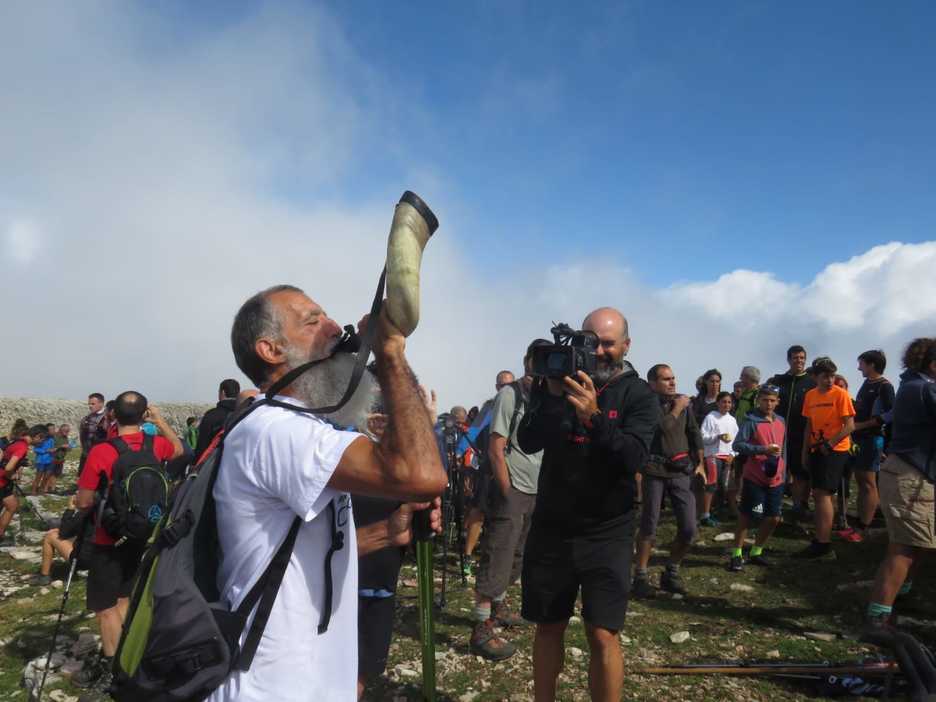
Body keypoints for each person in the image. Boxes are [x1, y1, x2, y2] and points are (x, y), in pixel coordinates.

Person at [207, 284, 446, 702]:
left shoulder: (302, 428)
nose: (337, 328)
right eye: (313, 321)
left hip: (309, 680)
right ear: (271, 350)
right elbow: (421, 474)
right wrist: (390, 353)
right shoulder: (278, 431)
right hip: (272, 686)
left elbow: (299, 555)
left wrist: (389, 533)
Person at [517, 306, 659, 702]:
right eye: (589, 340)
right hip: (552, 527)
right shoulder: (558, 384)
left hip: (607, 529)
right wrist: (551, 398)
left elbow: (634, 457)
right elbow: (528, 441)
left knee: (602, 633)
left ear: (626, 345)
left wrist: (595, 419)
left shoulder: (639, 395)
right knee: (548, 625)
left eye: (608, 343)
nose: (597, 350)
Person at [73, 391, 184, 692]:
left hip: (109, 538)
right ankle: (128, 656)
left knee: (105, 606)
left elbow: (84, 501)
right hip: (143, 534)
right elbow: (178, 450)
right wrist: (160, 421)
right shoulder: (155, 445)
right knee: (123, 597)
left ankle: (115, 671)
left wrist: (83, 499)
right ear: (144, 413)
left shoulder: (102, 451)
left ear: (113, 415)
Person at [470, 341, 545, 660]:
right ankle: (481, 628)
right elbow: (495, 446)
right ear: (526, 360)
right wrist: (506, 488)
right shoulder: (509, 395)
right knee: (498, 554)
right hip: (513, 488)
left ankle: (498, 608)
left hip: (536, 489)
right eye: (535, 359)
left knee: (519, 555)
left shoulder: (544, 397)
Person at [865, 338, 936, 634]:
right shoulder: (926, 389)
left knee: (919, 544)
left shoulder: (912, 385)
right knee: (904, 548)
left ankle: (898, 598)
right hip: (911, 477)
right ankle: (877, 618)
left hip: (911, 474)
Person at [633, 364, 705, 598]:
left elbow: (694, 433)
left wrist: (701, 463)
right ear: (653, 383)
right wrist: (677, 408)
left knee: (689, 528)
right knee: (649, 524)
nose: (672, 382)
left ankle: (671, 570)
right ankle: (641, 575)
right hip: (654, 470)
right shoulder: (648, 404)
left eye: (673, 378)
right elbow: (663, 428)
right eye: (666, 379)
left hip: (681, 471)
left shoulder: (683, 405)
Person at [796, 357, 855, 560]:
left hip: (835, 450)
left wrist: (830, 444)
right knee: (819, 493)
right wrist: (804, 452)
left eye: (832, 375)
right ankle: (821, 538)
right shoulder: (810, 396)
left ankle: (823, 544)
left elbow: (849, 425)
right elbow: (809, 426)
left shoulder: (841, 395)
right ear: (815, 377)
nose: (829, 380)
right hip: (815, 449)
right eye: (825, 376)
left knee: (822, 494)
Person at [729, 385, 786, 571]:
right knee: (749, 515)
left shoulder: (781, 421)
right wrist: (762, 450)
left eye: (772, 400)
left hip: (776, 478)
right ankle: (736, 554)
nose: (768, 404)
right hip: (755, 477)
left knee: (774, 518)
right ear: (758, 401)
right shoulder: (751, 421)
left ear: (777, 402)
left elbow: (784, 449)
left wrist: (785, 471)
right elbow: (738, 445)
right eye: (765, 400)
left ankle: (756, 551)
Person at [842, 350, 895, 543]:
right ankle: (859, 524)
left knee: (868, 482)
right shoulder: (868, 383)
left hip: (873, 438)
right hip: (860, 437)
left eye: (862, 364)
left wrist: (864, 425)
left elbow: (891, 413)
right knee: (861, 479)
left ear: (871, 364)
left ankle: (865, 527)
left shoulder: (884, 386)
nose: (859, 368)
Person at [767, 345, 816, 522]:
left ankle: (797, 506)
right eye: (796, 358)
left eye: (802, 358)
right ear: (789, 359)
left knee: (799, 472)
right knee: (775, 470)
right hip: (776, 433)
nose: (799, 361)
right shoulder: (778, 381)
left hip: (800, 434)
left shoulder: (811, 383)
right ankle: (772, 506)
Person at [0, 425, 46, 544]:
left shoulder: (18, 440)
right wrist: (12, 475)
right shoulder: (23, 447)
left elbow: (6, 455)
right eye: (42, 439)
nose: (42, 442)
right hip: (2, 480)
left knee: (12, 505)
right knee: (12, 506)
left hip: (3, 480)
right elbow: (9, 466)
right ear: (37, 436)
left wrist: (21, 462)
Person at [699, 391, 738, 526]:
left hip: (727, 457)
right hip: (713, 455)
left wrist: (733, 454)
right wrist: (717, 436)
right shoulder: (711, 417)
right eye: (723, 401)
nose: (726, 404)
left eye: (729, 402)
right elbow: (702, 437)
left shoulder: (732, 420)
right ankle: (705, 514)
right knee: (712, 484)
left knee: (723, 486)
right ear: (718, 403)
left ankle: (717, 511)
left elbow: (736, 441)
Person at [193, 378, 241, 460]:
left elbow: (202, 446)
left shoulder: (211, 415)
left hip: (214, 463)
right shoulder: (243, 414)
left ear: (223, 392)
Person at [78, 393, 107, 473]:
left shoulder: (108, 417)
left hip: (100, 454)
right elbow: (82, 434)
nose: (90, 406)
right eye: (89, 404)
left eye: (93, 404)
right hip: (86, 453)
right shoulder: (87, 418)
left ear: (101, 403)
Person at [46, 424, 73, 495]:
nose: (67, 432)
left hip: (61, 459)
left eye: (68, 431)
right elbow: (51, 447)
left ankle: (53, 489)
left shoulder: (65, 438)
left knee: (56, 474)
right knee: (49, 473)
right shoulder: (54, 436)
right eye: (66, 431)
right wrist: (61, 446)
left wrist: (69, 448)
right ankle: (45, 488)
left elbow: (68, 448)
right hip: (52, 458)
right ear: (61, 429)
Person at [31, 427, 55, 494]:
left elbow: (52, 448)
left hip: (50, 460)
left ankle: (41, 490)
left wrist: (53, 450)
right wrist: (46, 450)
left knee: (46, 477)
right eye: (50, 430)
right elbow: (35, 449)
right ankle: (33, 491)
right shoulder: (40, 439)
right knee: (38, 477)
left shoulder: (51, 440)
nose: (51, 431)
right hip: (41, 461)